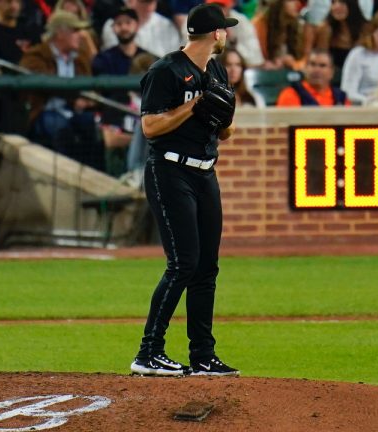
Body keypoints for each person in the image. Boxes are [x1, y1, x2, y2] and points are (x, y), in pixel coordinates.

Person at [129, 3, 239, 377]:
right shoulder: (166, 71)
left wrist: (223, 118)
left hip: (205, 172)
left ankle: (203, 356)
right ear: (215, 34)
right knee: (183, 264)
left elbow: (224, 130)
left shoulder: (217, 70)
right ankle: (148, 352)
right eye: (225, 29)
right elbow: (150, 127)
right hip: (170, 170)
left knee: (206, 267)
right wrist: (192, 108)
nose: (227, 34)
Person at [20, 10, 102, 169]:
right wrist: (74, 98)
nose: (81, 35)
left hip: (73, 112)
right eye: (75, 31)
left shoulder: (80, 57)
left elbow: (91, 85)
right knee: (59, 125)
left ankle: (93, 175)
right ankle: (64, 175)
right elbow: (44, 84)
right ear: (60, 33)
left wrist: (87, 100)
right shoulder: (35, 56)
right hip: (44, 111)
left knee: (89, 123)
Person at [92, 7, 149, 176]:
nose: (124, 27)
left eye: (128, 23)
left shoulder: (149, 57)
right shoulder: (104, 59)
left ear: (137, 25)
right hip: (115, 111)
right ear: (113, 28)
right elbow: (110, 139)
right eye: (119, 24)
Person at [100, 0, 181, 57]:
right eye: (144, 2)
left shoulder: (166, 26)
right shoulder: (114, 24)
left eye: (152, 2)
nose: (149, 7)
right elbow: (112, 57)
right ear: (130, 1)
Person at [311, 0, 367, 81]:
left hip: (359, 76)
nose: (336, 7)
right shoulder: (326, 29)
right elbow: (322, 59)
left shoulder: (365, 29)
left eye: (342, 2)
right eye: (333, 2)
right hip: (333, 78)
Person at [276, 49, 349, 106]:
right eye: (312, 64)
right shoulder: (291, 94)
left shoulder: (341, 97)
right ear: (305, 69)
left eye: (322, 65)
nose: (317, 70)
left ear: (331, 72)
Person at [251, 0, 305, 70]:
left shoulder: (298, 26)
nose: (298, 4)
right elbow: (254, 59)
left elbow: (304, 61)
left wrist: (293, 64)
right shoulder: (259, 25)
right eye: (291, 0)